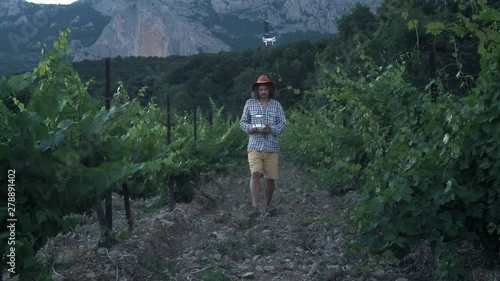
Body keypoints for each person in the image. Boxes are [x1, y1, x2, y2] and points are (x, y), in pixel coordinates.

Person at [240, 74, 287, 218]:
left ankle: (268, 204)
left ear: (270, 90)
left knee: (270, 178)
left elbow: (283, 123)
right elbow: (242, 122)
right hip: (255, 145)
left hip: (271, 146)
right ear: (257, 91)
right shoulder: (249, 104)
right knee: (255, 174)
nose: (263, 92)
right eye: (261, 89)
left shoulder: (276, 105)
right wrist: (251, 128)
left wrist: (271, 128)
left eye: (265, 89)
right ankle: (255, 207)